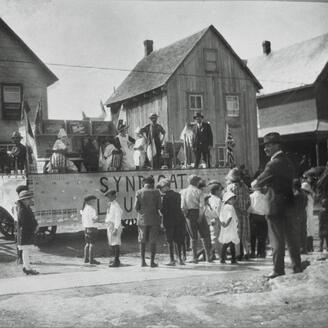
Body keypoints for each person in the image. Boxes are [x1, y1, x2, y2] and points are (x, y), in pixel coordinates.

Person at [253, 132, 303, 279]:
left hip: (275, 206)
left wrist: (257, 184)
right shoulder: (288, 161)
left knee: (276, 239)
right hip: (289, 204)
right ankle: (297, 266)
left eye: (268, 145)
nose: (265, 149)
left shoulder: (272, 163)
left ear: (276, 145)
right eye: (265, 146)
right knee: (292, 238)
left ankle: (278, 269)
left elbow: (258, 182)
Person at [180, 175, 211, 263]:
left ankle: (194, 257)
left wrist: (186, 215)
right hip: (199, 212)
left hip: (189, 214)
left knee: (192, 236)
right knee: (205, 235)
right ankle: (208, 257)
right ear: (197, 182)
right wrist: (200, 216)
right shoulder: (199, 191)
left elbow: (182, 206)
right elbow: (202, 205)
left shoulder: (183, 192)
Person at [157, 178, 185, 266]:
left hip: (169, 221)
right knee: (178, 240)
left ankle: (172, 260)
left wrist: (160, 209)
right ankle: (180, 258)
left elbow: (164, 211)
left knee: (170, 240)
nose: (160, 190)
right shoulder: (178, 195)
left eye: (161, 188)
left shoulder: (165, 197)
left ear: (166, 187)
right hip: (179, 220)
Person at [135, 176, 162, 267]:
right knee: (153, 241)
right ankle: (152, 262)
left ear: (144, 183)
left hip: (142, 219)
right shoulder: (157, 192)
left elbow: (136, 207)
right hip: (154, 219)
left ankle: (142, 261)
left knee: (142, 241)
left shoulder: (139, 192)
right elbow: (159, 207)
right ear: (152, 183)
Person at [226, 167, 251, 260]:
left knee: (236, 233)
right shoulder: (244, 186)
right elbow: (249, 200)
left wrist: (238, 209)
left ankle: (238, 254)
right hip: (244, 213)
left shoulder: (230, 187)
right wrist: (245, 209)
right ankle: (246, 252)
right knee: (245, 234)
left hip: (235, 213)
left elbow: (230, 201)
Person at [16, 190, 39, 275]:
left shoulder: (27, 208)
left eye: (29, 198)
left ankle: (26, 267)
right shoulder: (22, 210)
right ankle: (27, 268)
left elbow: (32, 218)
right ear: (23, 200)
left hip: (26, 233)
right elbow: (26, 223)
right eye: (28, 199)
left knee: (26, 250)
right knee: (25, 250)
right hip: (24, 233)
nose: (30, 200)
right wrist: (34, 227)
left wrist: (36, 225)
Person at [248, 181, 270, 258]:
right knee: (262, 236)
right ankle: (261, 252)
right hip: (263, 218)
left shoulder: (250, 197)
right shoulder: (264, 197)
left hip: (253, 217)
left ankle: (253, 252)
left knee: (253, 236)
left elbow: (249, 208)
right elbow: (267, 209)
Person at [204, 183, 224, 261]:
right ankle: (217, 254)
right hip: (216, 219)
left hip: (210, 219)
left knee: (214, 238)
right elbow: (216, 212)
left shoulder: (210, 198)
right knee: (216, 238)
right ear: (216, 191)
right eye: (220, 190)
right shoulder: (217, 200)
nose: (221, 192)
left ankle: (213, 254)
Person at [218, 191, 239, 264]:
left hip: (227, 227)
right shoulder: (229, 207)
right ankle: (231, 259)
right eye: (232, 199)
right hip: (230, 227)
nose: (233, 201)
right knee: (229, 243)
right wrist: (227, 224)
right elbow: (230, 217)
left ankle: (224, 258)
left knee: (228, 243)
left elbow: (221, 217)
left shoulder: (224, 207)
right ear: (228, 199)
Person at [105, 190, 123, 267]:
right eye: (108, 196)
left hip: (114, 225)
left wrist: (115, 228)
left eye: (110, 196)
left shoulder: (116, 205)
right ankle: (115, 260)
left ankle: (116, 261)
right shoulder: (110, 205)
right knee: (111, 243)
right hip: (110, 225)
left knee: (115, 243)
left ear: (114, 196)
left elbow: (117, 218)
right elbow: (108, 215)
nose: (109, 197)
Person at [80, 195, 100, 265]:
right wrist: (97, 218)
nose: (94, 202)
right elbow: (94, 220)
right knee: (92, 244)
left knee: (87, 244)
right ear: (89, 201)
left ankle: (86, 259)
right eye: (93, 201)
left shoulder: (83, 209)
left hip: (86, 228)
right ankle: (91, 260)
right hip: (92, 228)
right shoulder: (92, 209)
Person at [292, 178, 308, 254]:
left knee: (297, 232)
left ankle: (299, 248)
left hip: (297, 214)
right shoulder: (304, 194)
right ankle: (304, 248)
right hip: (303, 213)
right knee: (303, 231)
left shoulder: (296, 194)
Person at [301, 182, 315, 252]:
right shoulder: (311, 196)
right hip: (310, 216)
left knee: (307, 231)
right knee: (309, 231)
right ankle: (310, 247)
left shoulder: (306, 197)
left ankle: (308, 247)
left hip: (307, 216)